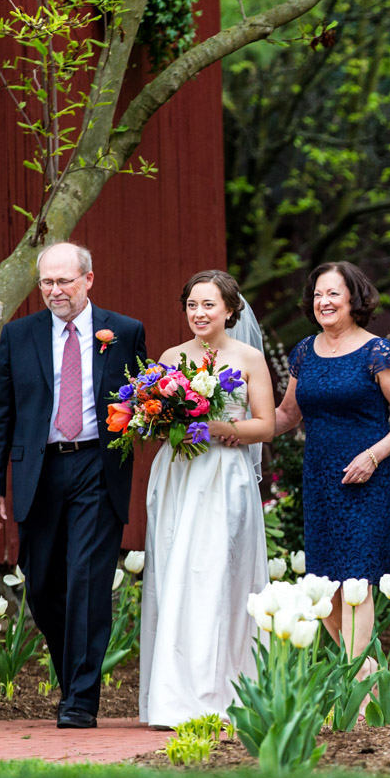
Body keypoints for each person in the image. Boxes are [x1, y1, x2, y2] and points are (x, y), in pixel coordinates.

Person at [0, 241, 147, 730]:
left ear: (88, 279)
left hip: (98, 466)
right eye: (47, 283)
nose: (55, 291)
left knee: (88, 582)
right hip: (40, 471)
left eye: (64, 281)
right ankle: (71, 669)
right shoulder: (18, 336)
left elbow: (144, 397)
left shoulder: (125, 332)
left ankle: (80, 700)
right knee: (44, 583)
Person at [136, 270, 275, 729]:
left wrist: (220, 429)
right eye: (192, 305)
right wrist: (160, 420)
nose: (199, 313)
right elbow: (156, 419)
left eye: (209, 305)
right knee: (175, 576)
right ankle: (173, 700)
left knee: (218, 575)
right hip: (179, 473)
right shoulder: (171, 357)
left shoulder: (250, 358)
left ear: (230, 310)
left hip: (225, 477)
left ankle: (224, 693)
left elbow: (265, 425)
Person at [272, 261, 390, 656]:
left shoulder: (377, 351)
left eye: (333, 293)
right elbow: (287, 415)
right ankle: (366, 673)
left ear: (354, 298)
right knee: (325, 588)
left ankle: (354, 687)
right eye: (318, 294)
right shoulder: (305, 351)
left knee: (356, 582)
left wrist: (372, 457)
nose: (324, 301)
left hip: (368, 479)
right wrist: (234, 429)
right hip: (321, 478)